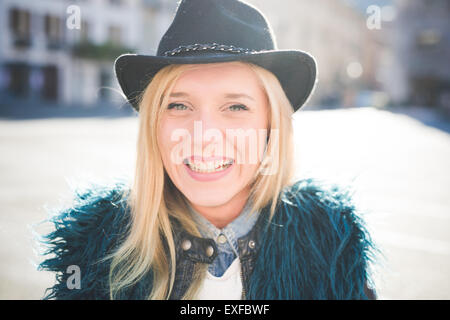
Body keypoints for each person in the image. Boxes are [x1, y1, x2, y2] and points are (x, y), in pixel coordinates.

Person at [38, 0, 378, 300]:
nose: (204, 137)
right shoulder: (93, 248)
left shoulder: (333, 245)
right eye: (179, 106)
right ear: (154, 125)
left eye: (235, 107)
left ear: (272, 127)